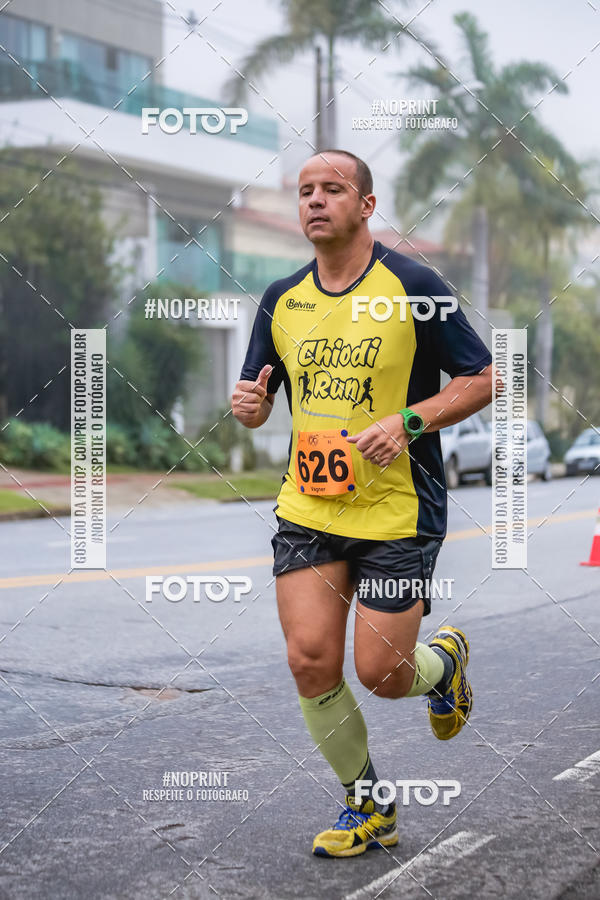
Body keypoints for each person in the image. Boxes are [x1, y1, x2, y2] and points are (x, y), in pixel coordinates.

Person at [231, 149, 493, 858]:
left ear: (366, 205)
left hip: (398, 512)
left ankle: (444, 667)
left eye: (332, 188)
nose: (315, 200)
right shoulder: (281, 300)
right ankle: (369, 806)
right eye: (305, 191)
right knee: (311, 661)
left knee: (382, 675)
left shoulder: (414, 285)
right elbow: (259, 402)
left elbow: (485, 377)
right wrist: (249, 407)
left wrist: (408, 421)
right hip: (309, 510)